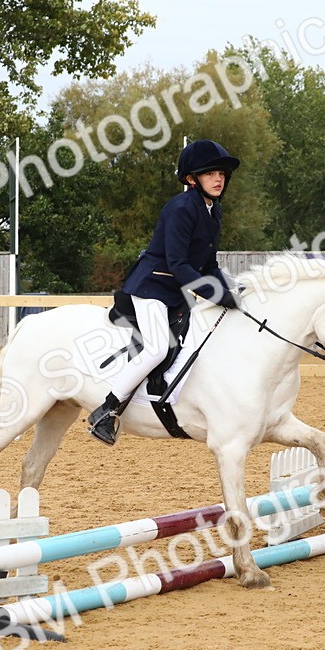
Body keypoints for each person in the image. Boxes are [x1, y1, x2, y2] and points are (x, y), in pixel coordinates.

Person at [88, 139, 241, 445]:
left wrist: (231, 291)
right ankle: (106, 410)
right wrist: (214, 294)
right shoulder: (181, 208)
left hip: (178, 290)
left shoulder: (213, 211)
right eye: (210, 173)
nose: (218, 178)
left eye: (221, 173)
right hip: (152, 286)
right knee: (157, 347)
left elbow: (208, 264)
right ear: (191, 178)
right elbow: (178, 263)